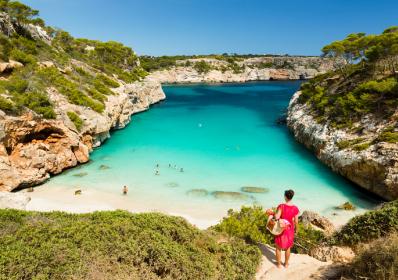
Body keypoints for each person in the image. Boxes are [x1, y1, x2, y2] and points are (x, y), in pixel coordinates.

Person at [270, 189, 299, 268]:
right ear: (292, 197)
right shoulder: (295, 208)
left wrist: (272, 213)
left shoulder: (281, 206)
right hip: (290, 229)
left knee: (278, 247)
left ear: (285, 196)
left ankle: (279, 264)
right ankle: (286, 264)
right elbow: (296, 221)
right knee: (288, 247)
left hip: (281, 228)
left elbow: (277, 217)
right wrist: (297, 229)